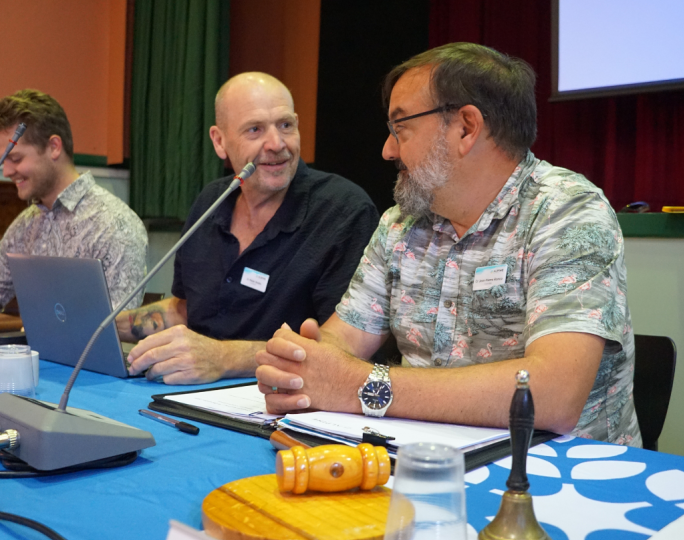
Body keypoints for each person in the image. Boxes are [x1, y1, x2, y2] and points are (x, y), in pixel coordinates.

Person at [256, 43, 641, 446]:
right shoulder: (400, 224)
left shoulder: (568, 212)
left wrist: (363, 386)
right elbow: (343, 340)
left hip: (557, 469)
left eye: (400, 127)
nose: (388, 150)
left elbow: (553, 395)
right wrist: (303, 364)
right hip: (424, 458)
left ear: (465, 128)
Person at [116, 72, 379, 385]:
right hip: (187, 390)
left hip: (279, 397)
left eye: (285, 125)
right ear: (219, 141)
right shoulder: (211, 201)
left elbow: (340, 346)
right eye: (255, 129)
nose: (277, 144)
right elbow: (186, 310)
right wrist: (103, 326)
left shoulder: (344, 211)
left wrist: (222, 358)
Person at [0, 89, 148, 316]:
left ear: (54, 147)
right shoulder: (26, 224)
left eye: (15, 158)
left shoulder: (115, 225)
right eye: (2, 161)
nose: (6, 172)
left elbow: (119, 323)